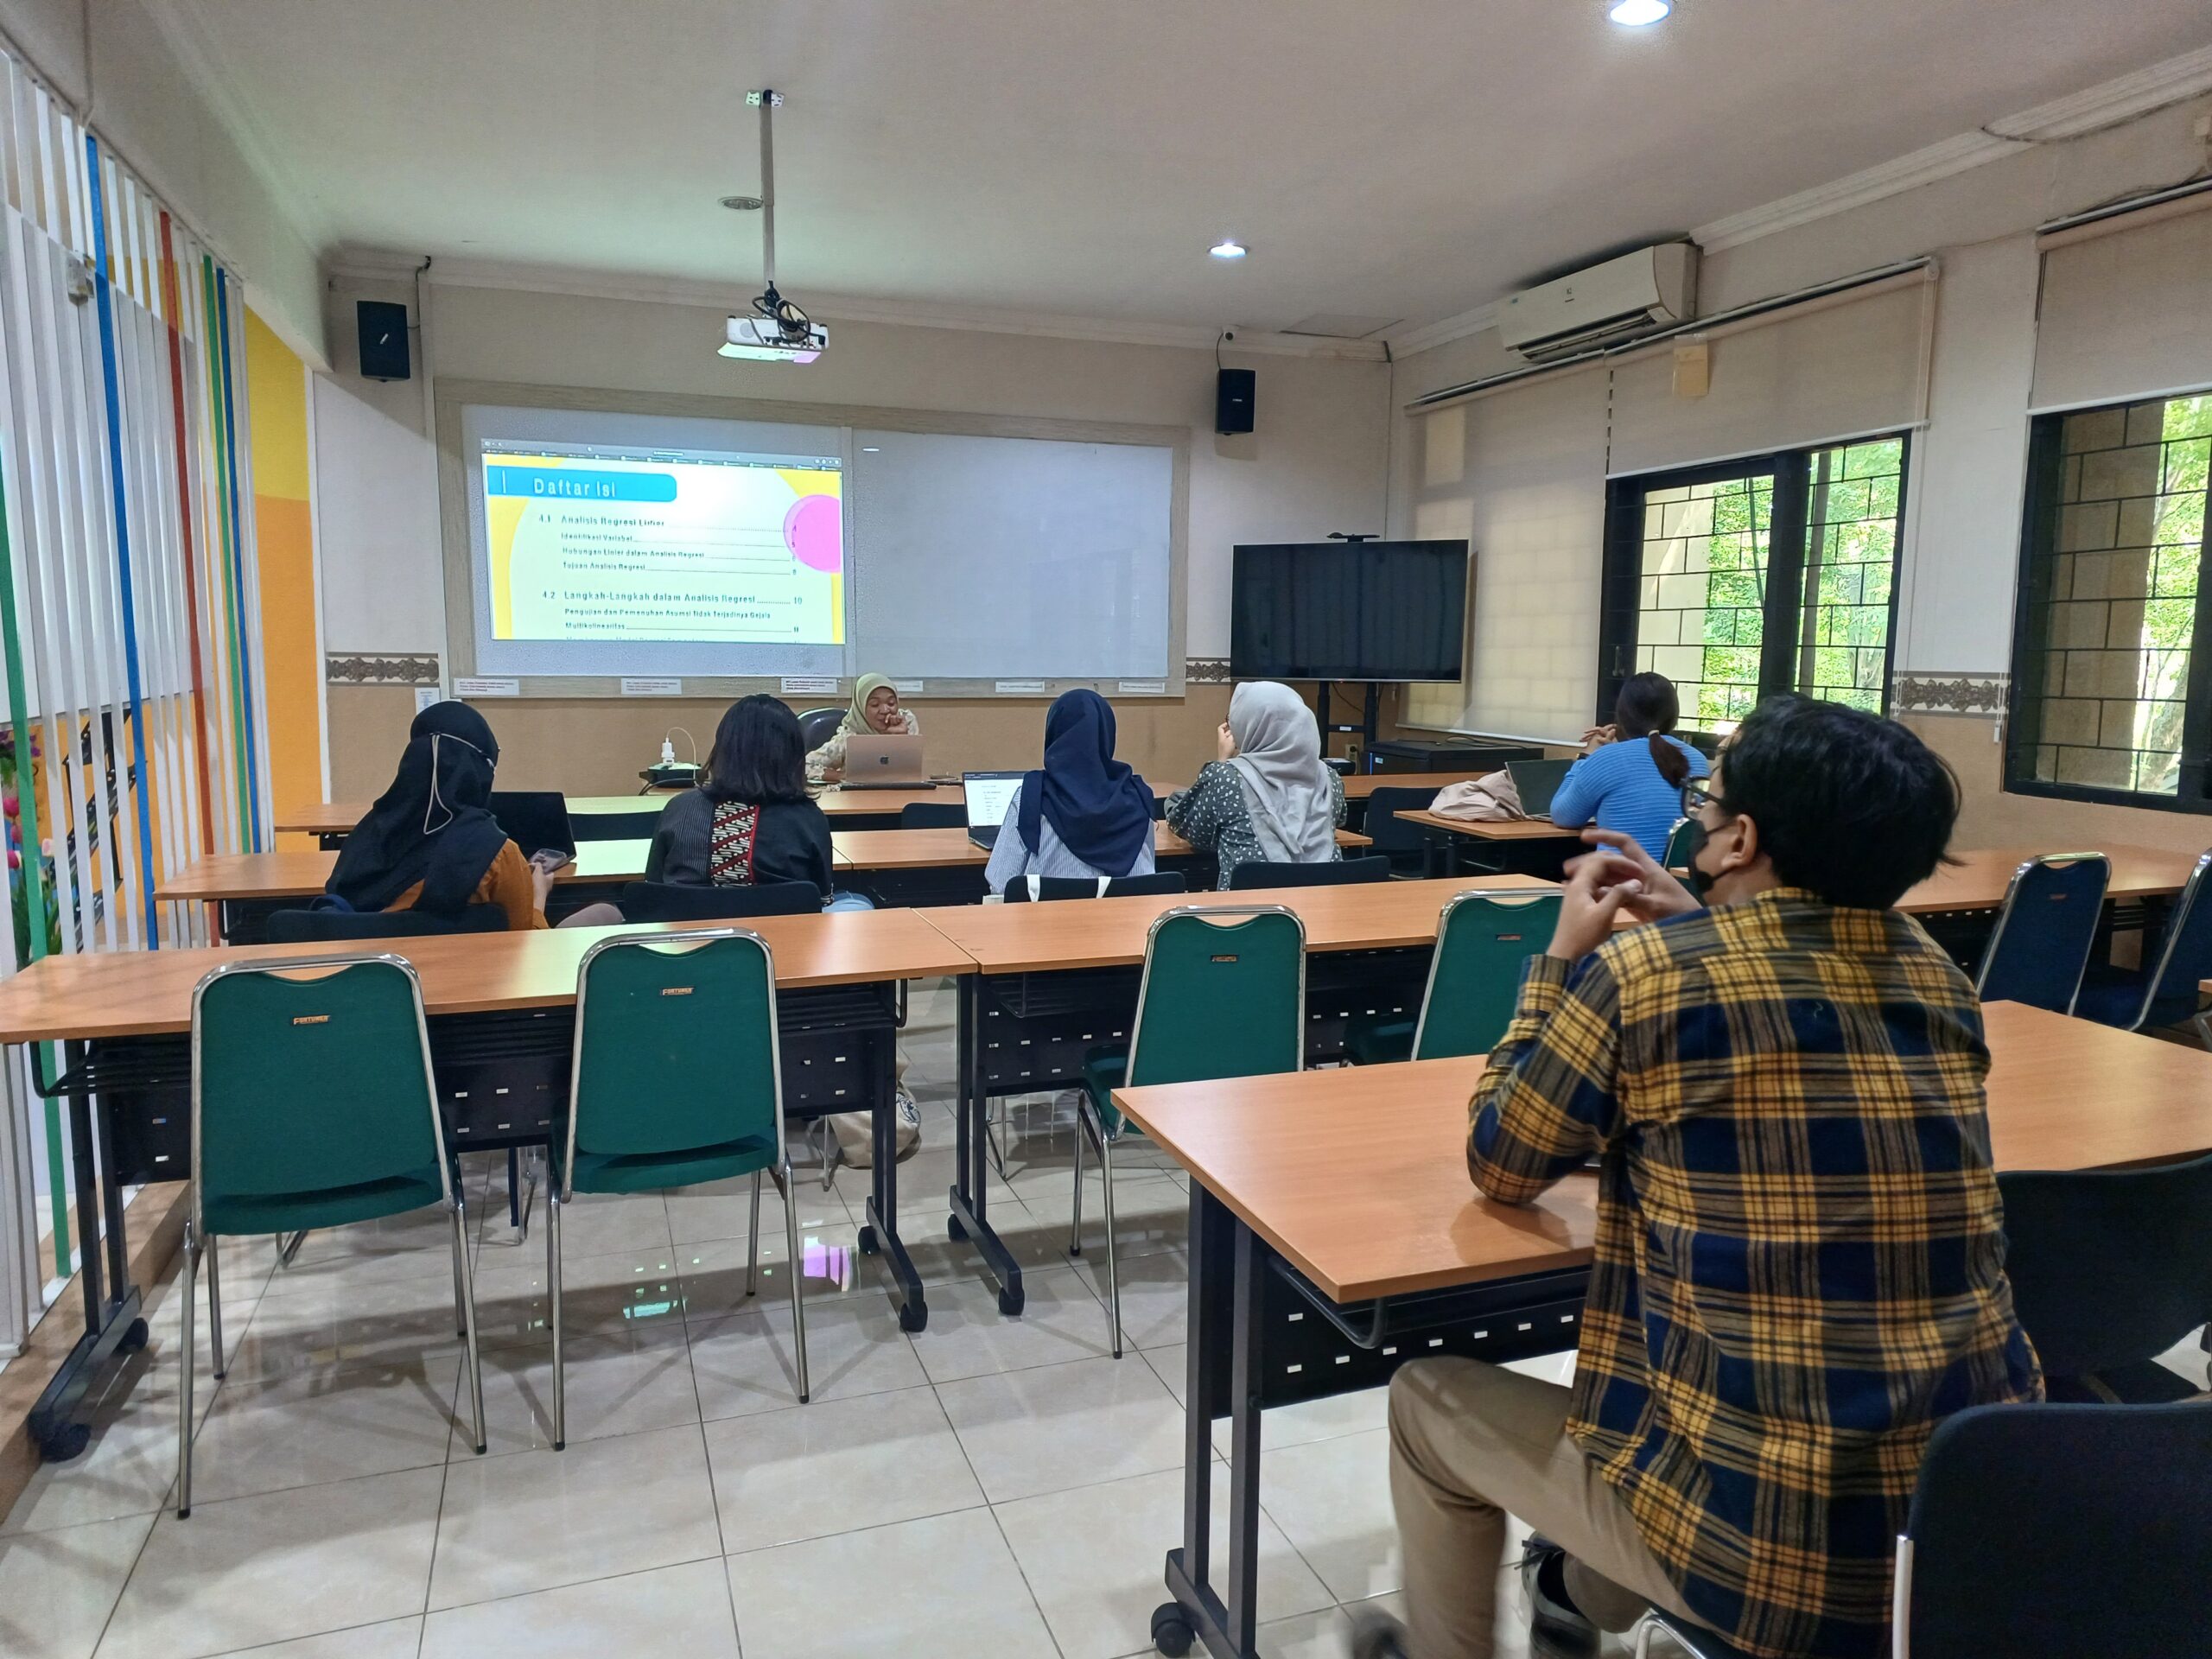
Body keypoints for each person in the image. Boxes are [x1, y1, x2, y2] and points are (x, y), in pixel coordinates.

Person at [1363, 696, 2041, 1659]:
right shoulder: (1938, 977)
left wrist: (1561, 959)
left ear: (1740, 841)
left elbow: (1501, 1161)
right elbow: (1795, 1022)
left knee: (1423, 1404)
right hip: (1957, 1524)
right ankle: (1571, 1598)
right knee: (1662, 1419)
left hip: (1769, 1553)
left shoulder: (1643, 975)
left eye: (1706, 804)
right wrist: (1697, 925)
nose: (1699, 820)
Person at [327, 700, 575, 930]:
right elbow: (527, 944)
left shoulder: (362, 839)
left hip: (370, 962)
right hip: (473, 964)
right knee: (590, 918)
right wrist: (538, 896)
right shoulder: (498, 854)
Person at [650, 695, 842, 899]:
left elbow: (653, 888)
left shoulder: (680, 809)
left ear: (723, 749)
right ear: (793, 755)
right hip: (778, 920)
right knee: (857, 902)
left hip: (690, 920)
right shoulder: (808, 819)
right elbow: (823, 899)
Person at [1165, 681, 1344, 890]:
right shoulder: (1329, 777)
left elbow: (1193, 832)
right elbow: (1339, 819)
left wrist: (1223, 761)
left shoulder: (1226, 778)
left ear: (1250, 725)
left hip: (1251, 906)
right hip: (1327, 901)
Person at [985, 690, 1158, 895]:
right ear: (1107, 734)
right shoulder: (1138, 796)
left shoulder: (1032, 796)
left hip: (1045, 916)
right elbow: (1149, 881)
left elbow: (1000, 884)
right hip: (1128, 915)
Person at [1547, 671, 1709, 860]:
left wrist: (1586, 757)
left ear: (1622, 715)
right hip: (1675, 878)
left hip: (1621, 876)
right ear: (1674, 715)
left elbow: (1563, 816)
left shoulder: (1606, 758)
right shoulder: (1698, 760)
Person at [806, 673, 918, 783]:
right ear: (861, 708)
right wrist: (841, 776)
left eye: (891, 703)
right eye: (875, 704)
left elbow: (912, 771)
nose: (885, 710)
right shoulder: (850, 735)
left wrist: (902, 738)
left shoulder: (906, 722)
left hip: (901, 791)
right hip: (858, 794)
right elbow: (805, 766)